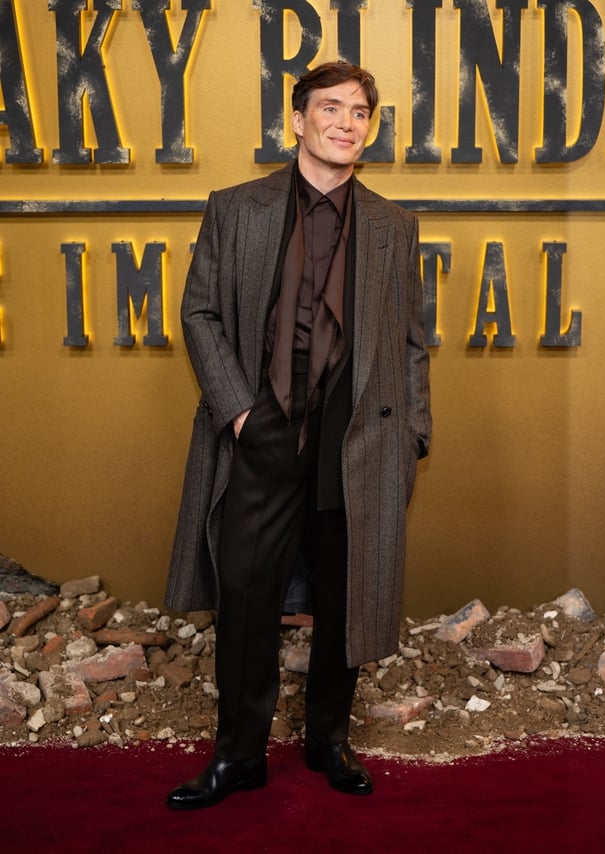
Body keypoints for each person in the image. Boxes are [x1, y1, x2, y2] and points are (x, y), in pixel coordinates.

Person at [164, 61, 431, 810]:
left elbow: (411, 342)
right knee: (247, 592)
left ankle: (328, 741)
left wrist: (413, 433)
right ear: (298, 120)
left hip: (358, 433)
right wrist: (239, 412)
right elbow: (199, 313)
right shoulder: (235, 209)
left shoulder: (395, 226)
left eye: (360, 112)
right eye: (331, 108)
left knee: (347, 591)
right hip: (263, 426)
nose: (347, 122)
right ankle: (238, 756)